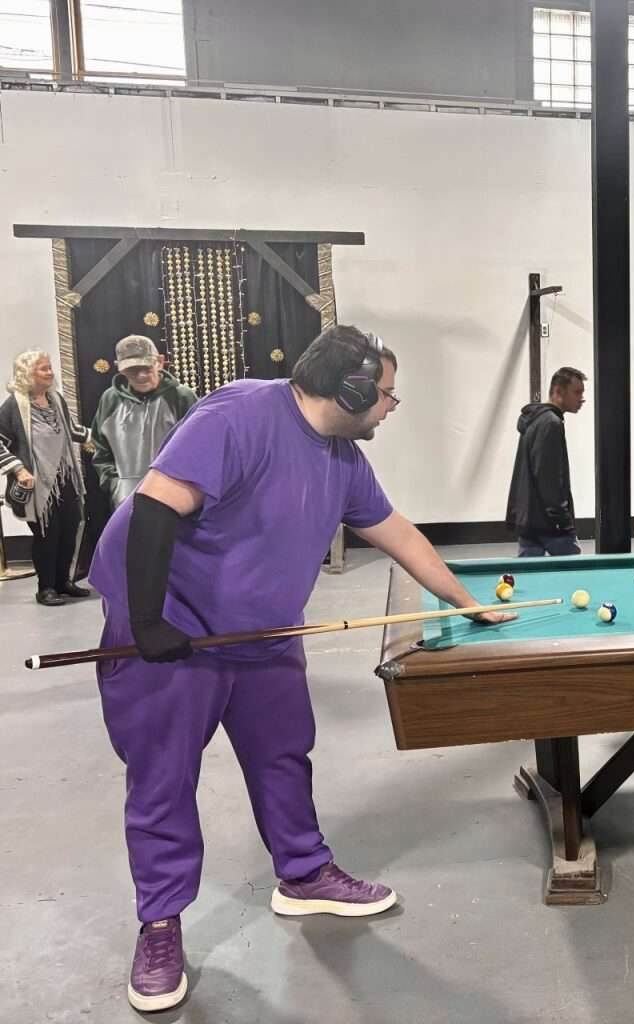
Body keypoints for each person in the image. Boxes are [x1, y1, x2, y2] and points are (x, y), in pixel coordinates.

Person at [86, 325, 514, 1013]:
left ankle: (305, 873)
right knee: (164, 776)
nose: (389, 406)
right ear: (347, 389)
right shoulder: (241, 414)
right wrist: (145, 622)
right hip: (176, 627)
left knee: (284, 755)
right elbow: (155, 507)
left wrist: (467, 602)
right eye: (385, 394)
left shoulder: (342, 458)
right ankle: (160, 923)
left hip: (263, 632)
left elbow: (395, 529)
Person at [0, 349, 93, 605]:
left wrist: (99, 437)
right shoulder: (13, 406)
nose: (50, 372)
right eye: (43, 368)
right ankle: (46, 588)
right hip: (38, 484)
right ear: (28, 374)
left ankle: (64, 581)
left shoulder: (56, 399)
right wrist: (18, 469)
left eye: (49, 367)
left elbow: (72, 430)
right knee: (47, 534)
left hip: (64, 478)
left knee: (71, 527)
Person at [91, 335, 198, 508]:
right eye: (132, 370)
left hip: (175, 498)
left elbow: (199, 446)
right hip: (124, 499)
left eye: (146, 368)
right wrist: (114, 482)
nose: (140, 375)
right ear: (120, 369)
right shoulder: (110, 400)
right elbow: (101, 449)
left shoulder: (182, 397)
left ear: (160, 362)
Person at [506, 365, 587, 557]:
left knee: (530, 575)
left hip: (528, 518)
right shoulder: (551, 423)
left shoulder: (535, 420)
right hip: (549, 523)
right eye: (577, 392)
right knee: (575, 573)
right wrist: (561, 519)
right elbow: (547, 475)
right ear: (559, 391)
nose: (582, 398)